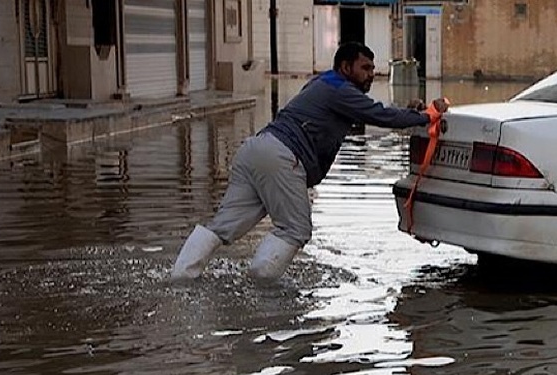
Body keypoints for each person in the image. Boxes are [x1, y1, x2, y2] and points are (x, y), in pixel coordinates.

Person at [170, 42, 448, 282]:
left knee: (222, 226)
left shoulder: (322, 83)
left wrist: (408, 112)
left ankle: (180, 279)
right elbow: (382, 117)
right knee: (296, 229)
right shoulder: (341, 91)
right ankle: (260, 287)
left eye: (373, 69)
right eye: (365, 68)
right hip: (282, 157)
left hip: (255, 150)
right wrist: (428, 115)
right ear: (345, 67)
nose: (371, 75)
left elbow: (365, 113)